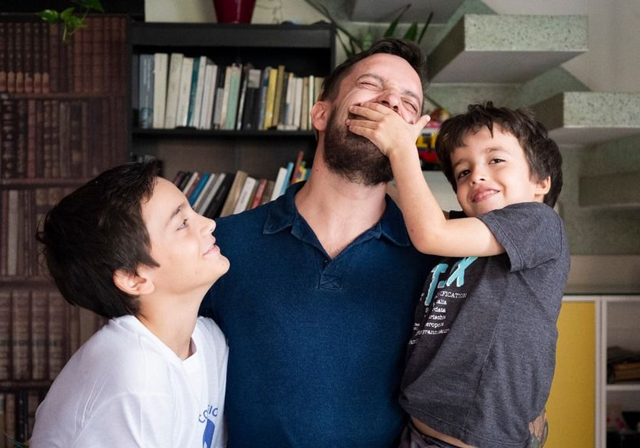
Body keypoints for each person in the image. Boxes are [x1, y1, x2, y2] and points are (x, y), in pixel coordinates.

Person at [199, 38, 439, 448]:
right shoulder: (221, 244)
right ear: (321, 113)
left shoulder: (437, 261)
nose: (390, 103)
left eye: (409, 103)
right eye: (371, 84)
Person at [347, 101, 569, 447]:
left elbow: (430, 232)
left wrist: (401, 148)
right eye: (463, 172)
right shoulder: (464, 231)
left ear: (541, 182)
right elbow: (405, 203)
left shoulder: (539, 222)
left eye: (496, 160)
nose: (477, 175)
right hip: (420, 432)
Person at [31, 162, 230, 447]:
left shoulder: (210, 342)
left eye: (192, 211)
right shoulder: (137, 374)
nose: (209, 223)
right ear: (134, 278)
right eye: (182, 223)